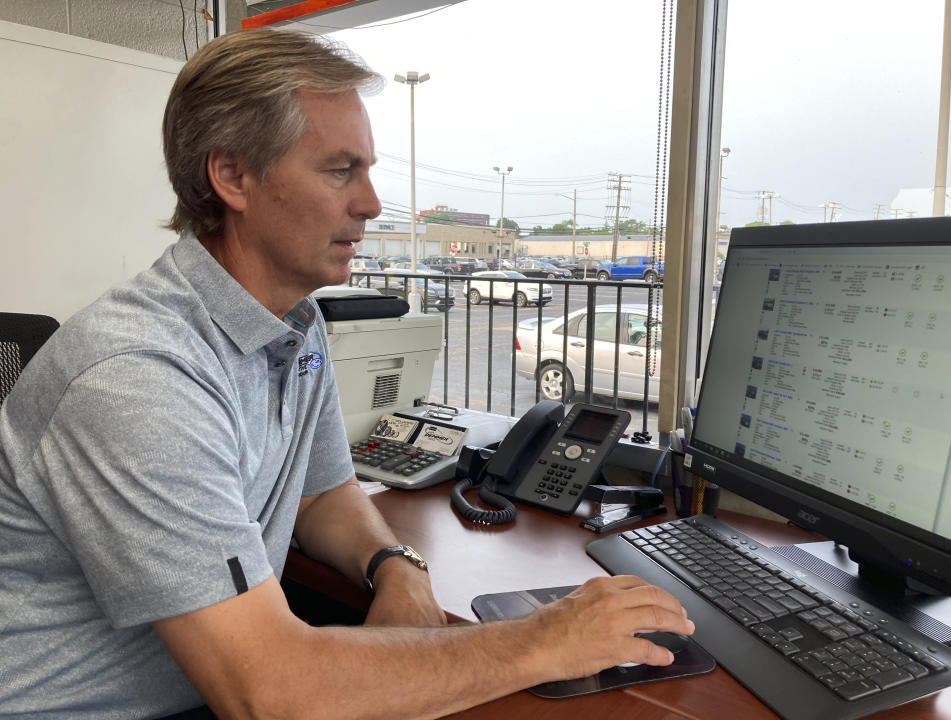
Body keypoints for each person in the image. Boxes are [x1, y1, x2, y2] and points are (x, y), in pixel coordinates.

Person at [0, 28, 694, 719]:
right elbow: (272, 694)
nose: (371, 203)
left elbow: (321, 494)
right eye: (341, 171)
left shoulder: (294, 324)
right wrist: (544, 640)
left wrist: (396, 564)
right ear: (233, 176)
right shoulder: (139, 376)